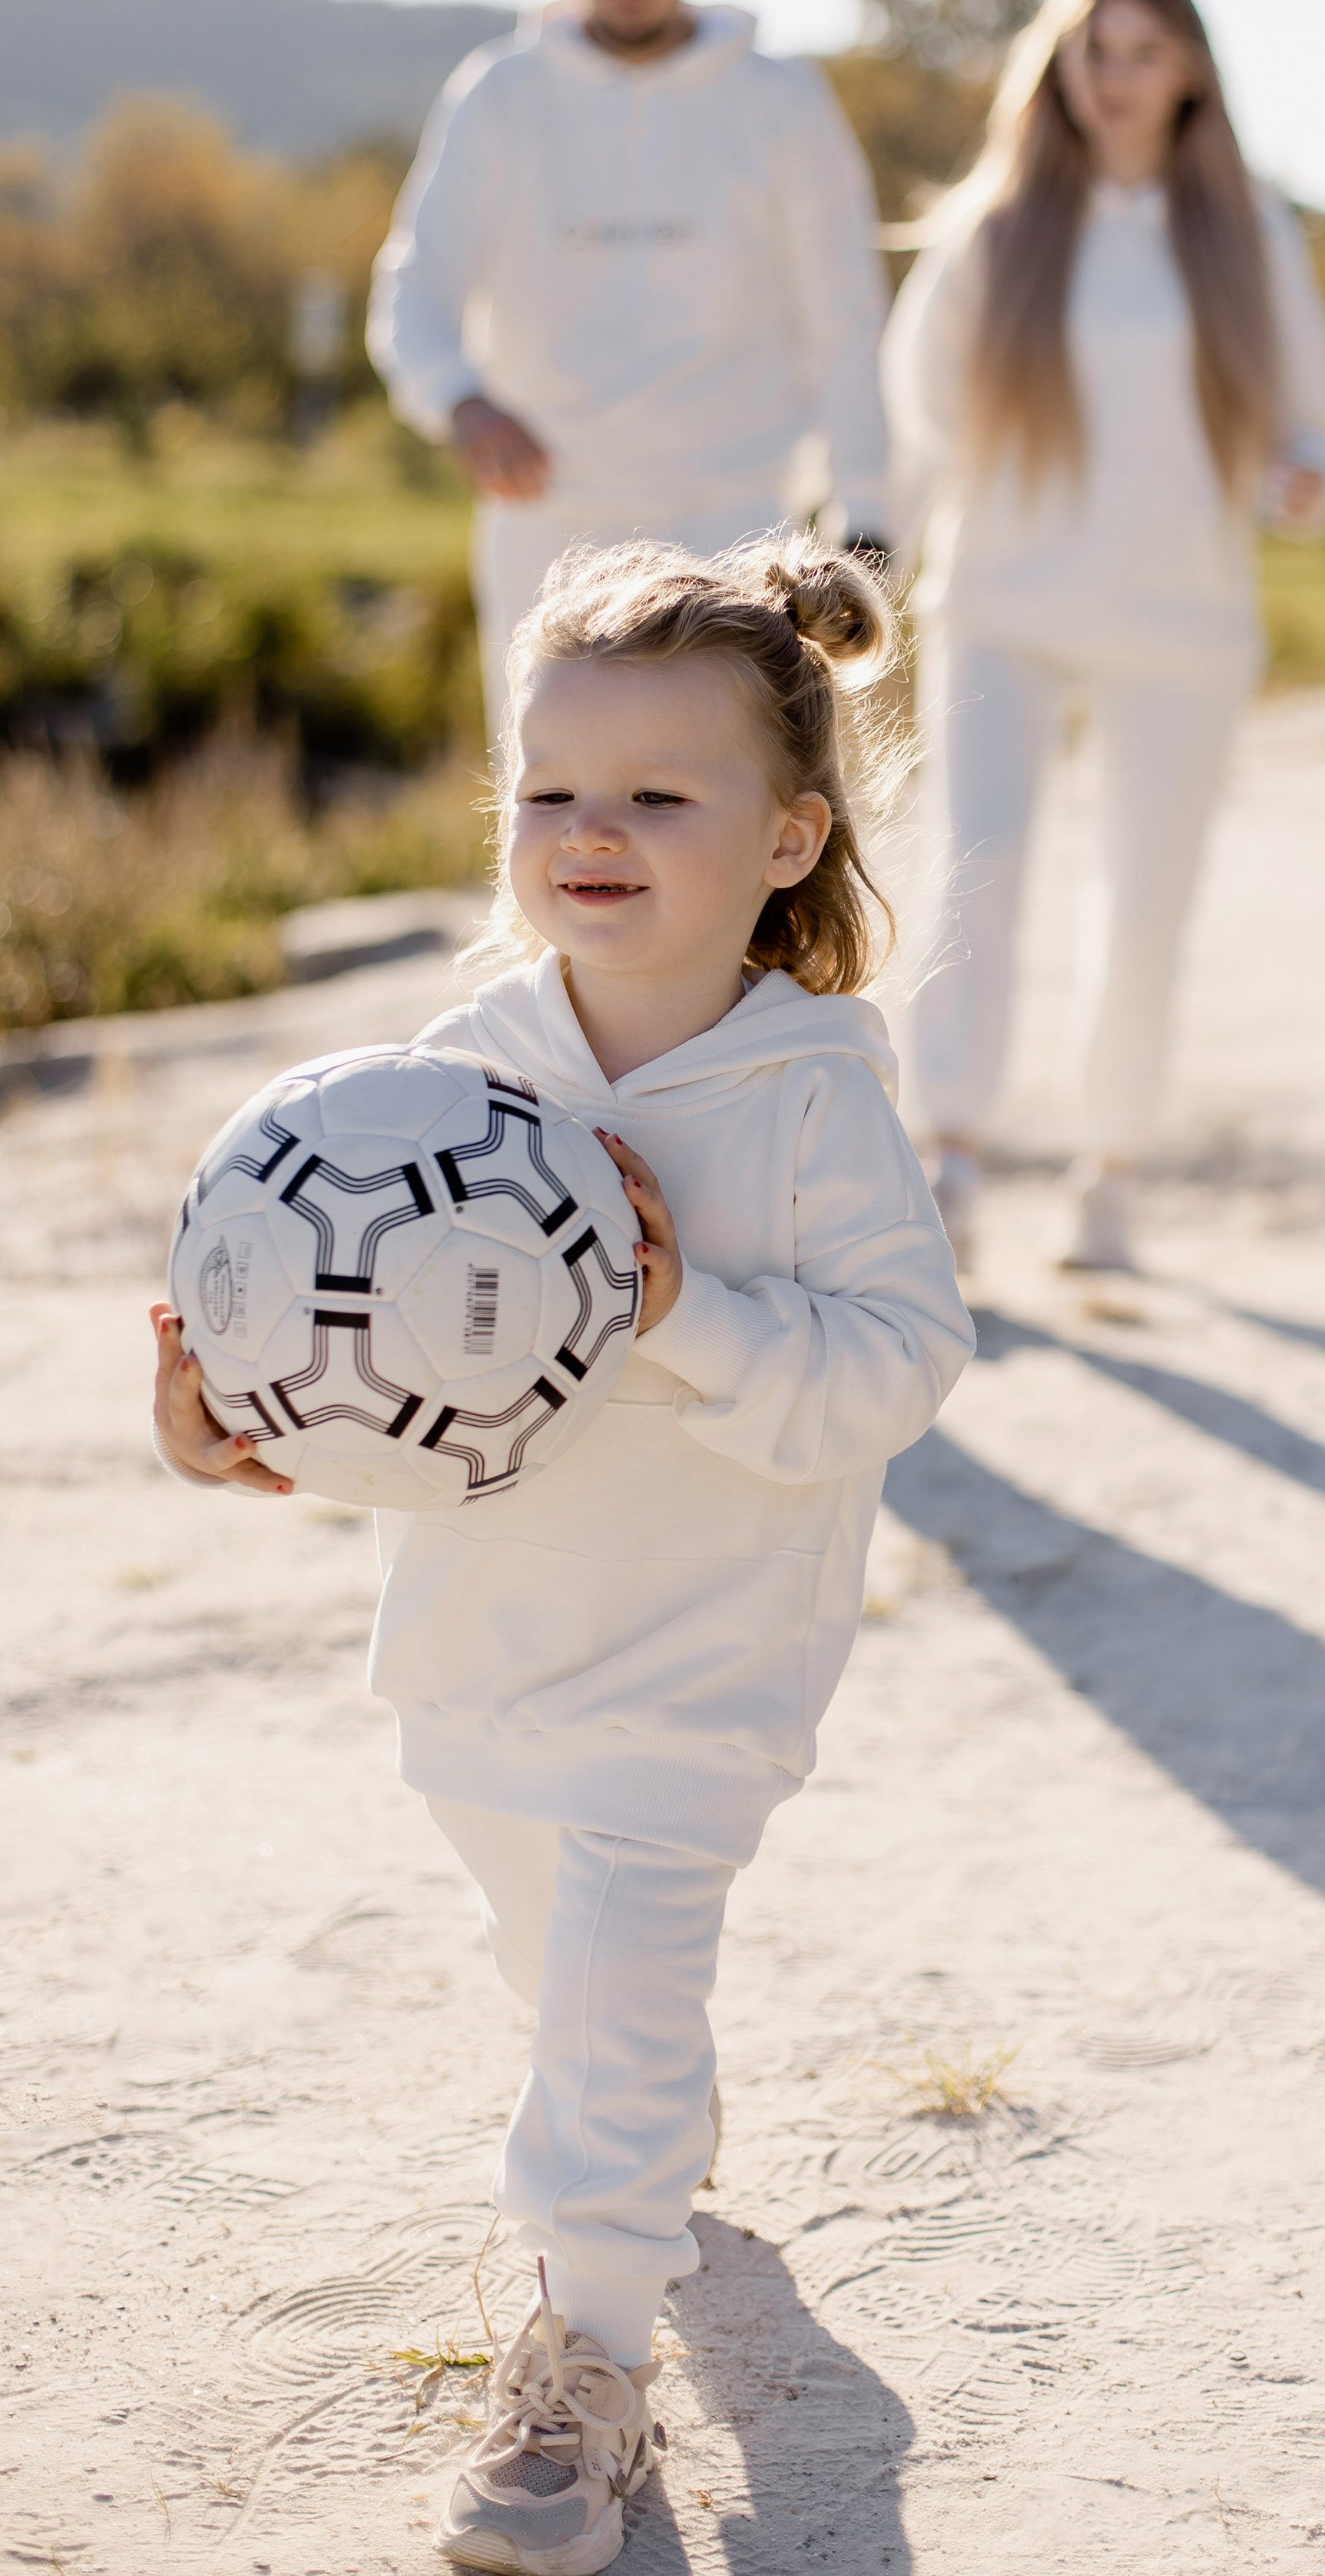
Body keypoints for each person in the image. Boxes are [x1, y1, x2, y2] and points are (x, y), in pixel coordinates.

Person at [149, 533, 972, 2576]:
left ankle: (579, 2362)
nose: (587, 833)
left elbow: (902, 1364)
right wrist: (227, 1414)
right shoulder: (447, 1080)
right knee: (562, 1973)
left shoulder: (810, 1098)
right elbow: (359, 1355)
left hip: (701, 1666)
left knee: (604, 1993)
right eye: (548, 790)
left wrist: (676, 1303)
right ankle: (647, 2144)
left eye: (655, 797)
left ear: (790, 836)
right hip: (485, 1652)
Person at [883, 0, 1325, 1273]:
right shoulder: (997, 225)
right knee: (975, 872)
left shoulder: (1244, 232)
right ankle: (951, 1156)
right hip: (1002, 601)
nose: (1120, 78)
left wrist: (1306, 475)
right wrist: (858, 560)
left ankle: (1112, 1164)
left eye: (1148, 53)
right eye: (1098, 50)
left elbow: (1317, 423)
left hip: (1182, 619)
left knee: (1147, 892)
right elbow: (911, 419)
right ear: (1062, 61)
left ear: (1192, 70)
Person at [368, 0, 891, 739]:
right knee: (552, 816)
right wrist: (461, 402)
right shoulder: (499, 94)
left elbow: (845, 318)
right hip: (548, 526)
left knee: (719, 818)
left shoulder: (780, 102)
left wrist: (868, 511)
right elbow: (413, 293)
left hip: (735, 526)